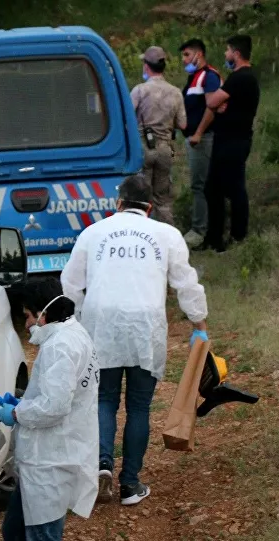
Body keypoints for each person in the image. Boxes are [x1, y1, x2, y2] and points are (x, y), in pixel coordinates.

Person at [60, 173, 209, 506]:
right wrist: (199, 324)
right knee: (139, 407)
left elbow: (70, 283)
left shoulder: (92, 233)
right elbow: (186, 284)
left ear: (118, 203)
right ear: (150, 207)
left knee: (104, 401)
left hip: (102, 325)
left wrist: (81, 316)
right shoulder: (167, 235)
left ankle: (101, 465)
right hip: (146, 325)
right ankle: (130, 485)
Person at [0, 278, 99, 541]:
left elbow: (55, 406)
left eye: (27, 316)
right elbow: (60, 393)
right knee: (13, 532)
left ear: (43, 313)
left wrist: (16, 413)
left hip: (49, 463)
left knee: (42, 534)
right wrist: (24, 402)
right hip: (56, 453)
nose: (26, 324)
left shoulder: (58, 347)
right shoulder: (74, 334)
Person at [203, 35, 261, 253]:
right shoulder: (246, 79)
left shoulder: (239, 78)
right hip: (231, 140)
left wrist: (219, 103)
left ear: (236, 54)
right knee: (215, 189)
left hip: (233, 142)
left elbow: (211, 101)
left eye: (228, 51)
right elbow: (220, 104)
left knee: (233, 188)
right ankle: (216, 237)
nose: (225, 55)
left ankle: (238, 235)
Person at [130, 45, 188, 227]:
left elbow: (128, 118)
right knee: (163, 199)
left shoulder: (139, 90)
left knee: (141, 199)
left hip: (143, 148)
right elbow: (183, 124)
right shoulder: (176, 92)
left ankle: (142, 236)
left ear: (147, 66)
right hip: (164, 149)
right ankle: (169, 236)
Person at [179, 38, 223, 249]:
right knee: (200, 184)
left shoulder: (209, 77)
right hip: (194, 139)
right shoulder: (193, 78)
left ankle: (199, 230)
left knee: (201, 185)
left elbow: (212, 107)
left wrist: (198, 133)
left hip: (203, 140)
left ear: (199, 54)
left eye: (187, 55)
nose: (184, 60)